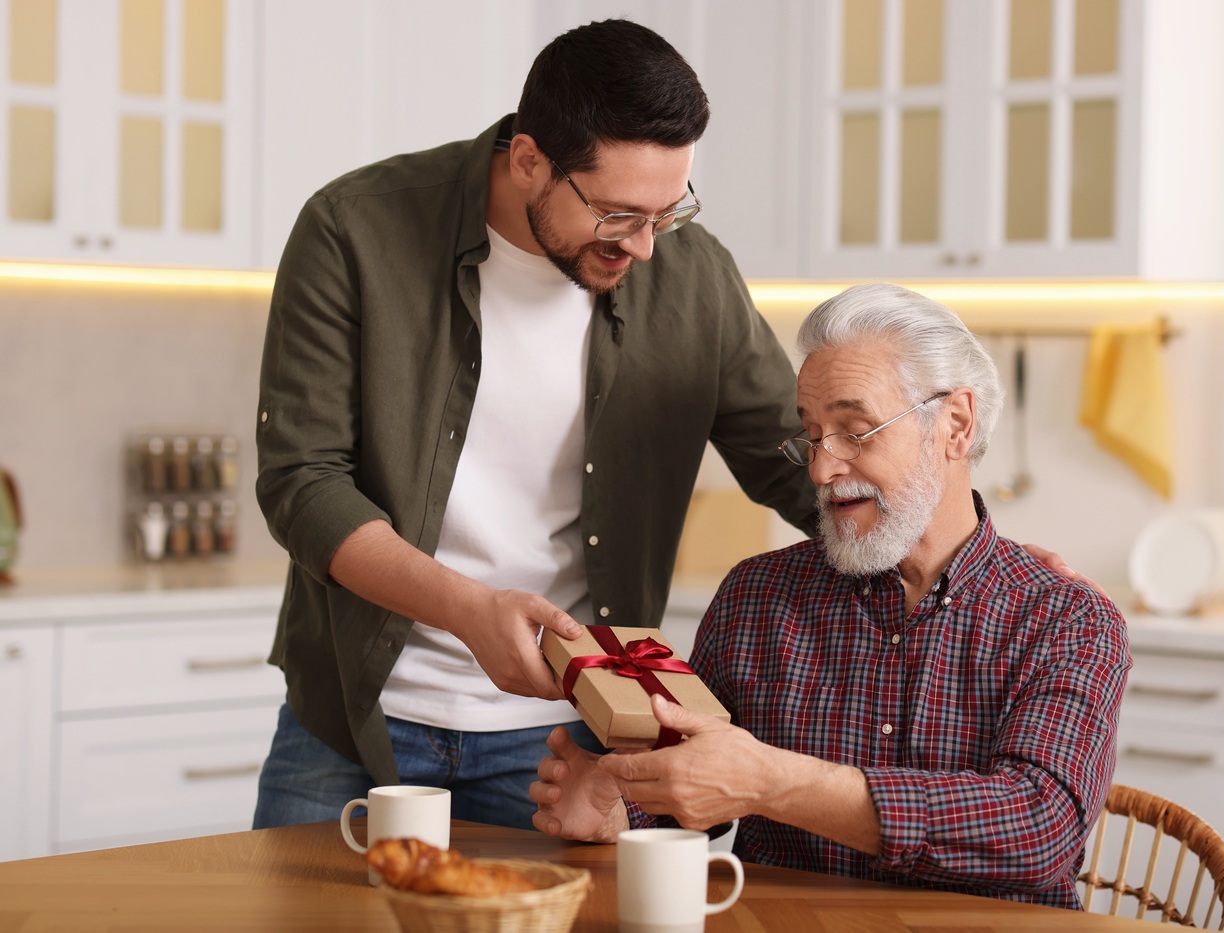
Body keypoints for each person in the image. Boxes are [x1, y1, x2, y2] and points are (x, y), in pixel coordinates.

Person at [250, 19, 819, 831]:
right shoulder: (354, 230)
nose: (647, 248)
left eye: (669, 211)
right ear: (528, 162)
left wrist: (973, 544)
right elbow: (302, 482)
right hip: (352, 720)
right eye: (619, 214)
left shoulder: (695, 278)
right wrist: (468, 610)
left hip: (566, 746)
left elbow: (799, 460)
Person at [531, 283, 1133, 910]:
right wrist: (620, 809)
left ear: (955, 424)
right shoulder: (756, 596)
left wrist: (773, 782)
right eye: (813, 435)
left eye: (854, 430)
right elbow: (696, 783)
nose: (821, 469)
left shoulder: (1068, 618)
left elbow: (1038, 828)